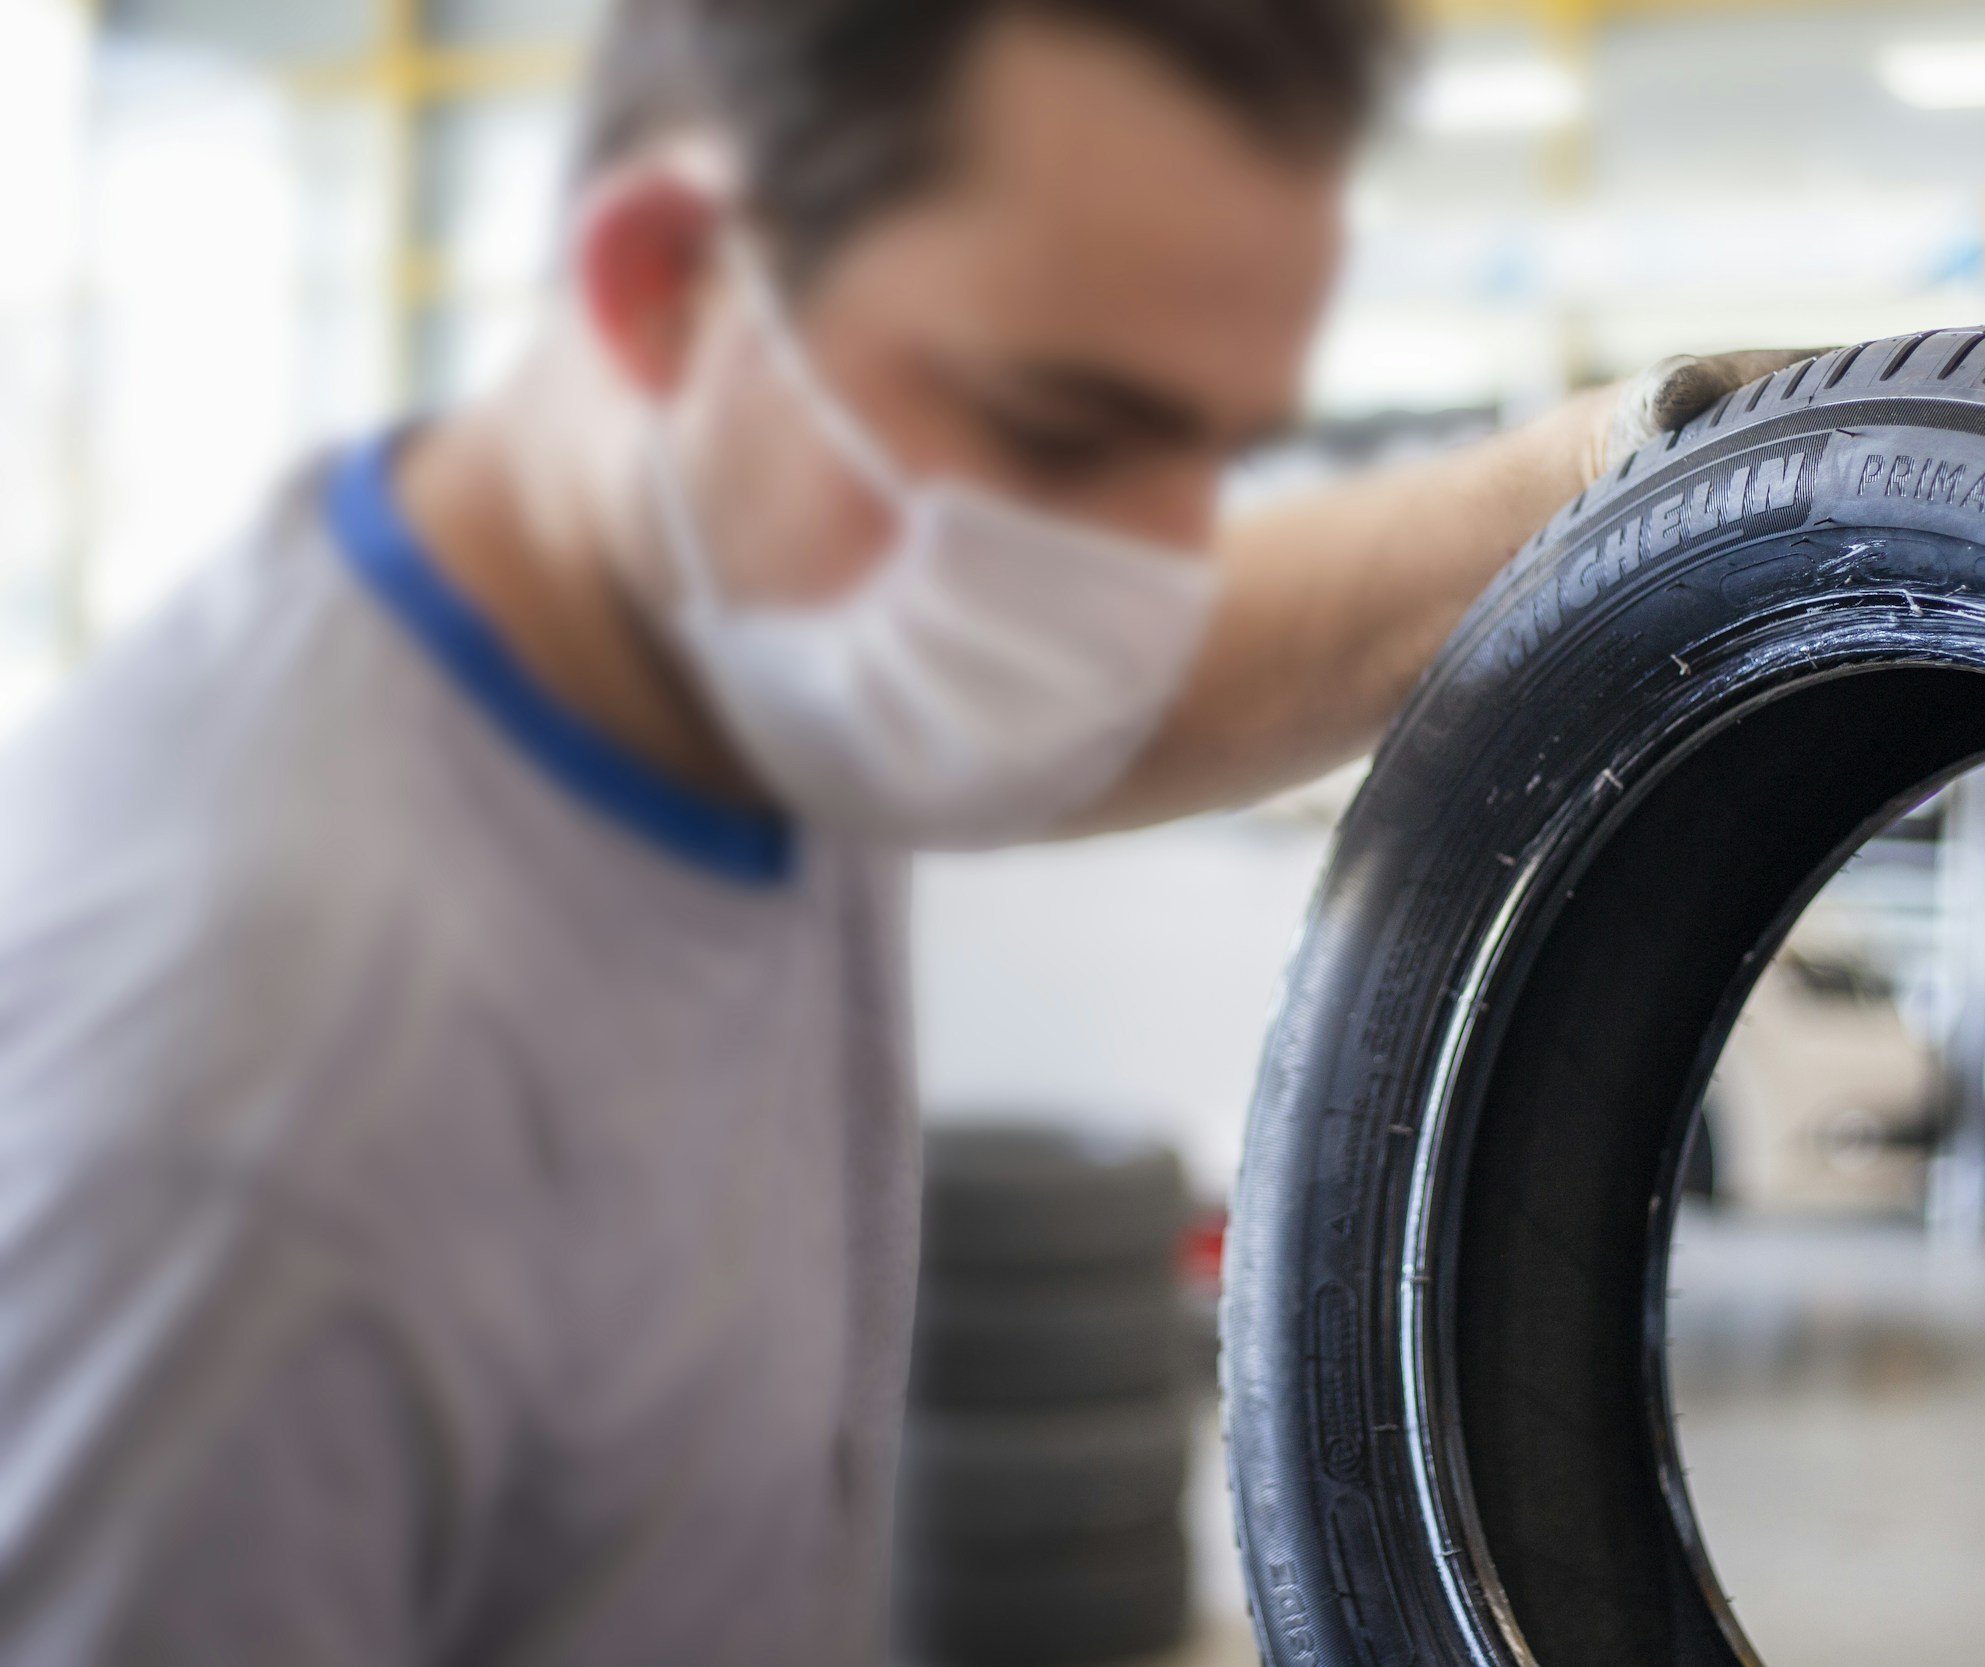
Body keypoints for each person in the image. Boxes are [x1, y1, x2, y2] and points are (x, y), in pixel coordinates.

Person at [0, 1, 1806, 1660]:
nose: (1140, 549)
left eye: (1196, 441)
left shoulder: (749, 632)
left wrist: (1611, 466)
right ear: (665, 289)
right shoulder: (246, 1095)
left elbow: (1198, 648)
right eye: (1061, 427)